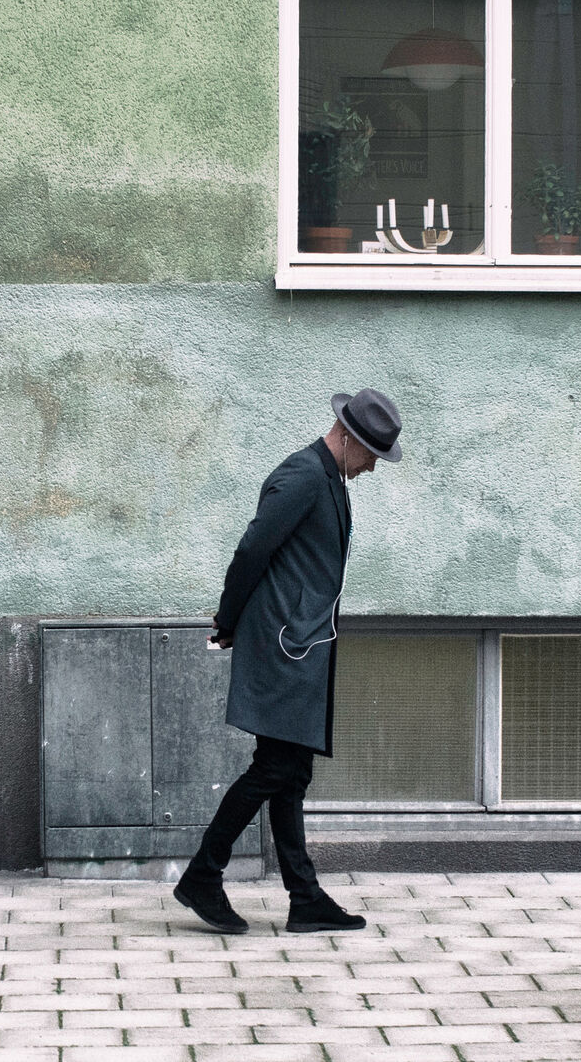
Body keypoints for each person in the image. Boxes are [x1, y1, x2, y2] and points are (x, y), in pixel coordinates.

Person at [172, 387, 402, 935]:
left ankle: (305, 898)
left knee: (292, 772)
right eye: (371, 454)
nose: (372, 467)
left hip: (301, 644)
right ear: (346, 437)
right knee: (276, 769)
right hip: (281, 646)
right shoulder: (302, 475)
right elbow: (252, 549)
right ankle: (203, 875)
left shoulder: (329, 479)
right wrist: (228, 620)